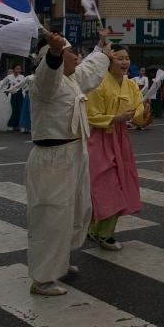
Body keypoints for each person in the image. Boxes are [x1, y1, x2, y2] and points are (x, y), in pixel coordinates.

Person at [26, 32, 113, 295]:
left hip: (75, 153)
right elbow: (47, 76)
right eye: (70, 52)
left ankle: (59, 262)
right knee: (52, 216)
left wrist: (101, 47)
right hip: (53, 157)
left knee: (75, 211)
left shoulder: (72, 79)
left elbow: (91, 69)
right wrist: (53, 53)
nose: (77, 56)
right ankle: (42, 277)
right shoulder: (44, 83)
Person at [84, 45, 147, 251]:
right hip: (100, 137)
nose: (124, 62)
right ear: (109, 62)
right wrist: (114, 117)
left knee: (121, 182)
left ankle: (102, 231)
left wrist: (141, 114)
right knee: (105, 184)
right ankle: (96, 228)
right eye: (119, 58)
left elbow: (138, 107)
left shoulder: (130, 85)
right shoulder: (98, 84)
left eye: (127, 58)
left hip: (120, 138)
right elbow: (91, 115)